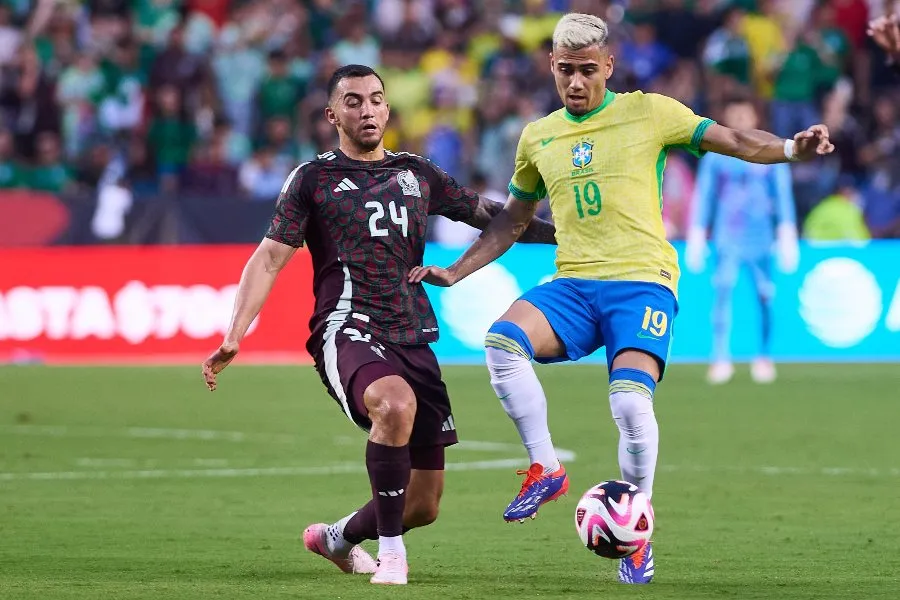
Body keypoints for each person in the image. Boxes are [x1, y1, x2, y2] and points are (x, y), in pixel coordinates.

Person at [408, 13, 833, 585]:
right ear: (551, 67)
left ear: (608, 66)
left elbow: (733, 140)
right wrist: (457, 271)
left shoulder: (650, 112)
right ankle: (546, 467)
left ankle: (637, 532)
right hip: (575, 283)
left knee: (630, 406)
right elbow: (512, 220)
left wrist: (790, 148)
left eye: (587, 69)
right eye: (565, 69)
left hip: (641, 281)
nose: (576, 81)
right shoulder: (538, 137)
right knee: (502, 342)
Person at [201, 65, 555, 586]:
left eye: (375, 99)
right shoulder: (312, 179)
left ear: (387, 108)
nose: (366, 109)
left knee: (422, 505)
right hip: (347, 326)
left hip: (412, 334)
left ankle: (336, 538)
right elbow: (270, 257)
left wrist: (566, 234)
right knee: (393, 403)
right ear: (332, 115)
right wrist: (235, 335)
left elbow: (494, 217)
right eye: (353, 101)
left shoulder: (418, 172)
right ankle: (392, 558)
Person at [686, 98, 798, 385]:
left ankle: (764, 355)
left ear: (754, 118)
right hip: (727, 235)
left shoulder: (771, 151)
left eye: (744, 114)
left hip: (761, 236)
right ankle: (720, 357)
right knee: (723, 291)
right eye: (733, 114)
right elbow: (705, 195)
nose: (739, 120)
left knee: (765, 295)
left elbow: (782, 193)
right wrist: (697, 231)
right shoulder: (716, 155)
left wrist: (786, 230)